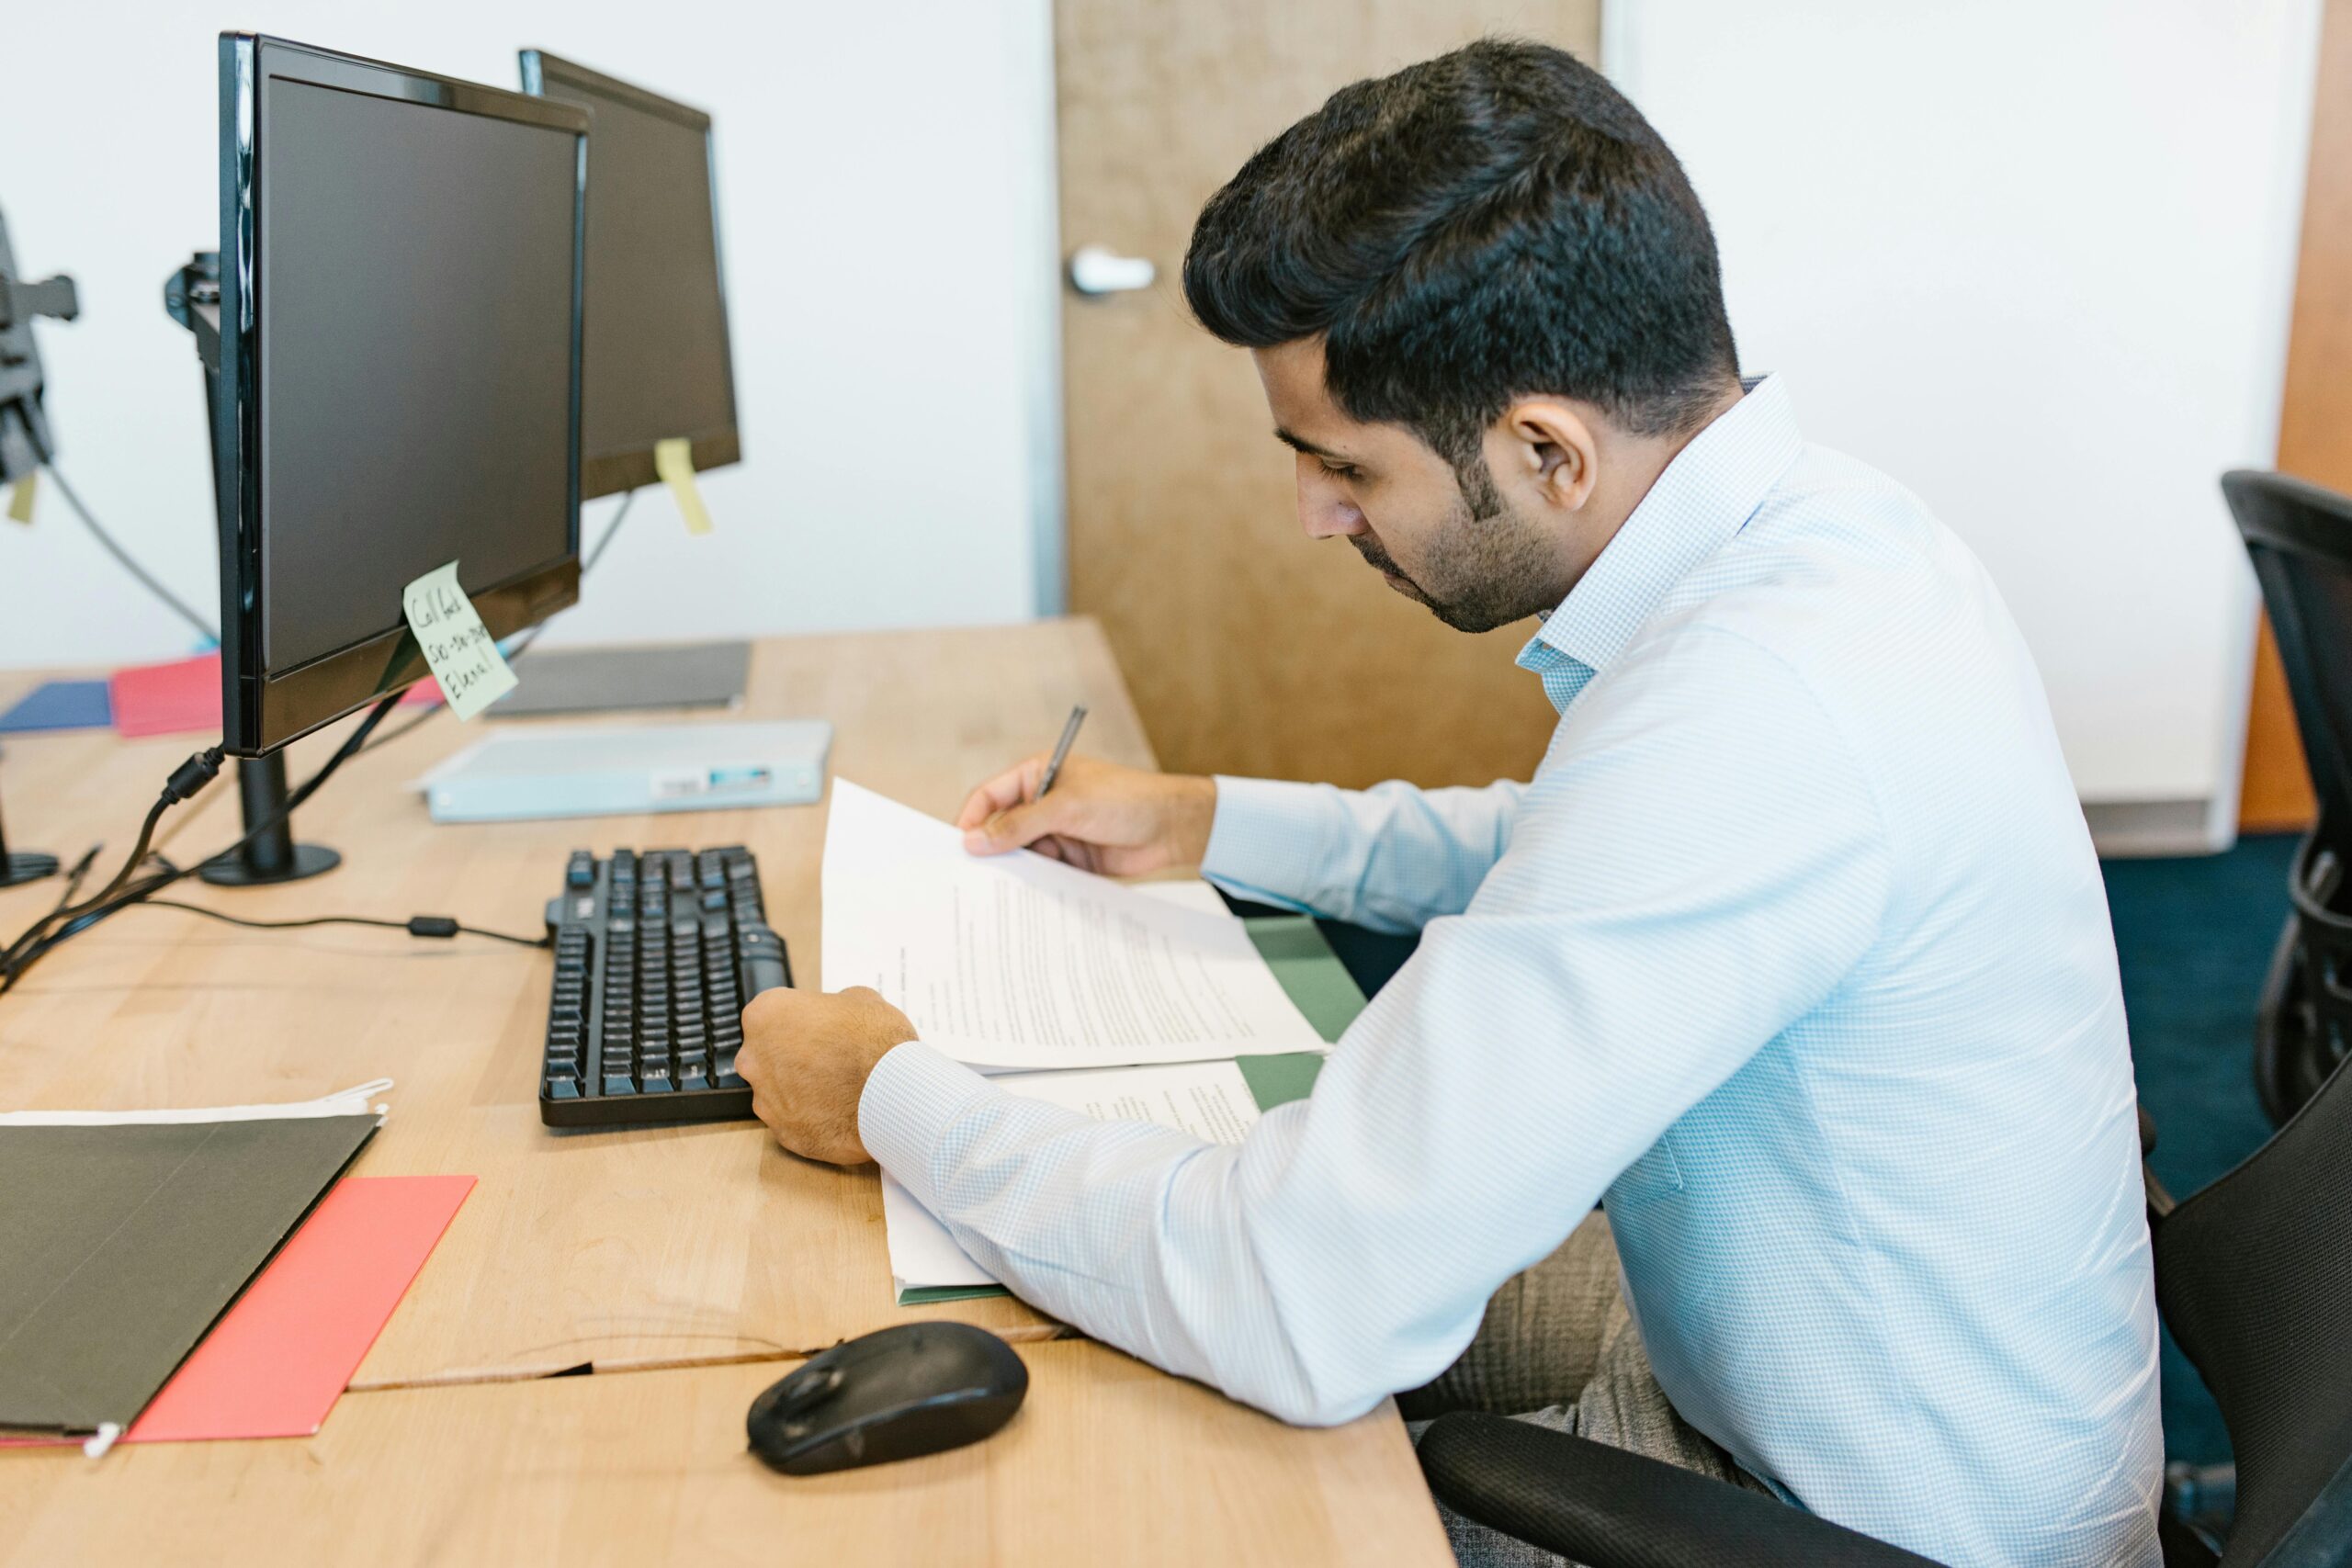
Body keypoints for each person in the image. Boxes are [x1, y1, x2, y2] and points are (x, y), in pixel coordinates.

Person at [738, 37, 2159, 1568]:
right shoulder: (1828, 540)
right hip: (1778, 1346)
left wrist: (888, 1093)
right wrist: (1209, 821)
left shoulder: (1764, 700)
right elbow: (1568, 853)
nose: (1314, 514)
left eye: (1344, 465)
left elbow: (1299, 1294)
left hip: (1838, 1519)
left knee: (1120, 1493)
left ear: (1545, 450)